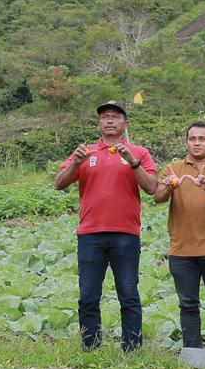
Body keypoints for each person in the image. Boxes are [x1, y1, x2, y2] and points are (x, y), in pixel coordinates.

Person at [54, 101, 158, 351]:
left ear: (125, 124)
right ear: (99, 124)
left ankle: (132, 348)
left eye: (115, 117)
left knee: (128, 294)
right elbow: (59, 183)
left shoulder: (139, 152)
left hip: (126, 234)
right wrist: (76, 163)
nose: (110, 121)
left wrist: (132, 162)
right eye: (105, 117)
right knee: (88, 295)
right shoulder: (85, 152)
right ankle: (91, 347)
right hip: (90, 234)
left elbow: (152, 187)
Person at [153, 122, 205, 358]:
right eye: (192, 139)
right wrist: (168, 187)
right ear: (187, 142)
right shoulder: (174, 168)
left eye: (202, 139)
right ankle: (192, 351)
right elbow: (158, 197)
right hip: (181, 248)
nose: (196, 143)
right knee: (188, 304)